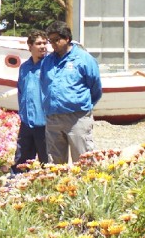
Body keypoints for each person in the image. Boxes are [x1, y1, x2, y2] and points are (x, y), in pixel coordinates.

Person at [42, 22, 103, 163]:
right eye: (51, 41)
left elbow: (96, 88)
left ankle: (86, 185)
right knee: (55, 165)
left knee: (84, 161)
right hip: (53, 118)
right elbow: (44, 85)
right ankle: (59, 186)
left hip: (77, 118)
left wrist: (82, 105)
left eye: (57, 40)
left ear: (67, 38)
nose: (53, 44)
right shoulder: (47, 61)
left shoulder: (84, 59)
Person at [14, 31, 50, 170]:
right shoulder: (24, 67)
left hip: (44, 122)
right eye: (38, 43)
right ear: (30, 46)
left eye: (44, 43)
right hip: (27, 122)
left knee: (47, 161)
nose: (43, 46)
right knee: (21, 160)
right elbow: (21, 91)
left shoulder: (49, 65)